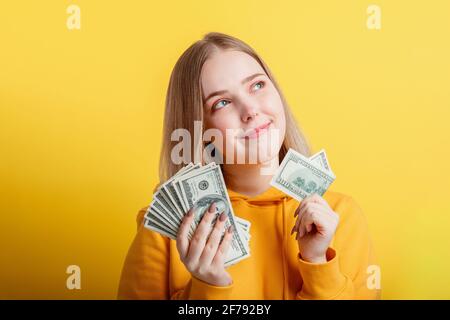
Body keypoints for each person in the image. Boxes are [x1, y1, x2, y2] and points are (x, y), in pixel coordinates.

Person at [118, 32, 380, 299]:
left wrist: (318, 262)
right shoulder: (165, 234)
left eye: (257, 85)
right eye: (222, 103)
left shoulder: (339, 216)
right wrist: (208, 288)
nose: (250, 109)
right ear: (200, 130)